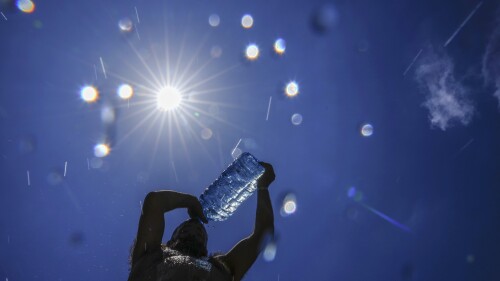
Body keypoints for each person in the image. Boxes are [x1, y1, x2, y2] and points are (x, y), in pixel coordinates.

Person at [128, 162, 275, 281]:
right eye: (185, 229)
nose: (195, 230)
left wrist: (263, 187)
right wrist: (190, 201)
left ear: (206, 246)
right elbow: (154, 201)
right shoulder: (150, 253)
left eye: (199, 232)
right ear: (171, 240)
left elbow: (263, 233)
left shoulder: (223, 266)